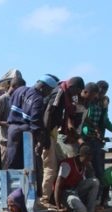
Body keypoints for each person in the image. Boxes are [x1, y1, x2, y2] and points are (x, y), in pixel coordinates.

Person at [42, 77, 85, 205]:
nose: (76, 95)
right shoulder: (60, 92)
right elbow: (49, 111)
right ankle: (45, 198)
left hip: (53, 131)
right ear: (72, 86)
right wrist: (45, 134)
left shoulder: (67, 95)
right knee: (51, 167)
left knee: (60, 162)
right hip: (48, 131)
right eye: (76, 91)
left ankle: (54, 195)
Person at [53, 145, 99, 212]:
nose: (88, 162)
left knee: (95, 182)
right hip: (66, 193)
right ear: (82, 156)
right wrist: (58, 205)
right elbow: (57, 186)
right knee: (81, 210)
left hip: (75, 190)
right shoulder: (67, 165)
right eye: (87, 159)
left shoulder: (84, 165)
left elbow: (85, 181)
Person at [6, 75, 57, 169]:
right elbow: (35, 121)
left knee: (11, 160)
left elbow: (10, 105)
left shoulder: (19, 90)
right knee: (27, 165)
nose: (48, 94)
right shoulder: (38, 99)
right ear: (43, 87)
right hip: (25, 132)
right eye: (49, 91)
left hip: (12, 130)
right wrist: (40, 141)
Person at [83, 80, 112, 155]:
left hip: (97, 136)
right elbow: (84, 118)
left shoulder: (103, 104)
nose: (101, 94)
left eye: (104, 92)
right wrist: (92, 129)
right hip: (85, 134)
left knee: (99, 156)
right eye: (99, 92)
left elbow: (105, 121)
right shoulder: (87, 101)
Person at [0, 77, 24, 170]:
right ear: (13, 86)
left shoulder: (19, 99)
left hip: (17, 140)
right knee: (7, 166)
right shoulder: (2, 99)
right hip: (5, 140)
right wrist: (9, 124)